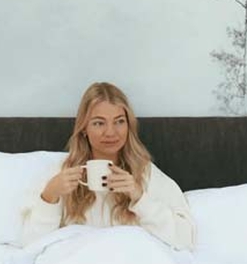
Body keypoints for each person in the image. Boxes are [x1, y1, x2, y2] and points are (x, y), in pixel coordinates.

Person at [21, 82, 196, 250]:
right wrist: (50, 196)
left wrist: (139, 197)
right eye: (99, 123)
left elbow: (184, 239)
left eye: (119, 121)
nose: (110, 132)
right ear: (84, 128)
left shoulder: (145, 173)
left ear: (128, 125)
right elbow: (30, 244)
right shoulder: (60, 172)